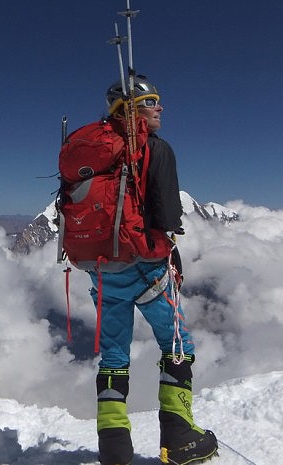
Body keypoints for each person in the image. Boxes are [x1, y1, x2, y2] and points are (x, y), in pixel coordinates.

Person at [91, 76, 218, 465]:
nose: (160, 108)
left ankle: (114, 448)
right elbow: (167, 214)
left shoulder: (94, 151)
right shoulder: (155, 149)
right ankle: (179, 438)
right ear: (131, 110)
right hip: (147, 269)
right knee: (178, 346)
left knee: (113, 354)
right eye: (151, 101)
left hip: (101, 271)